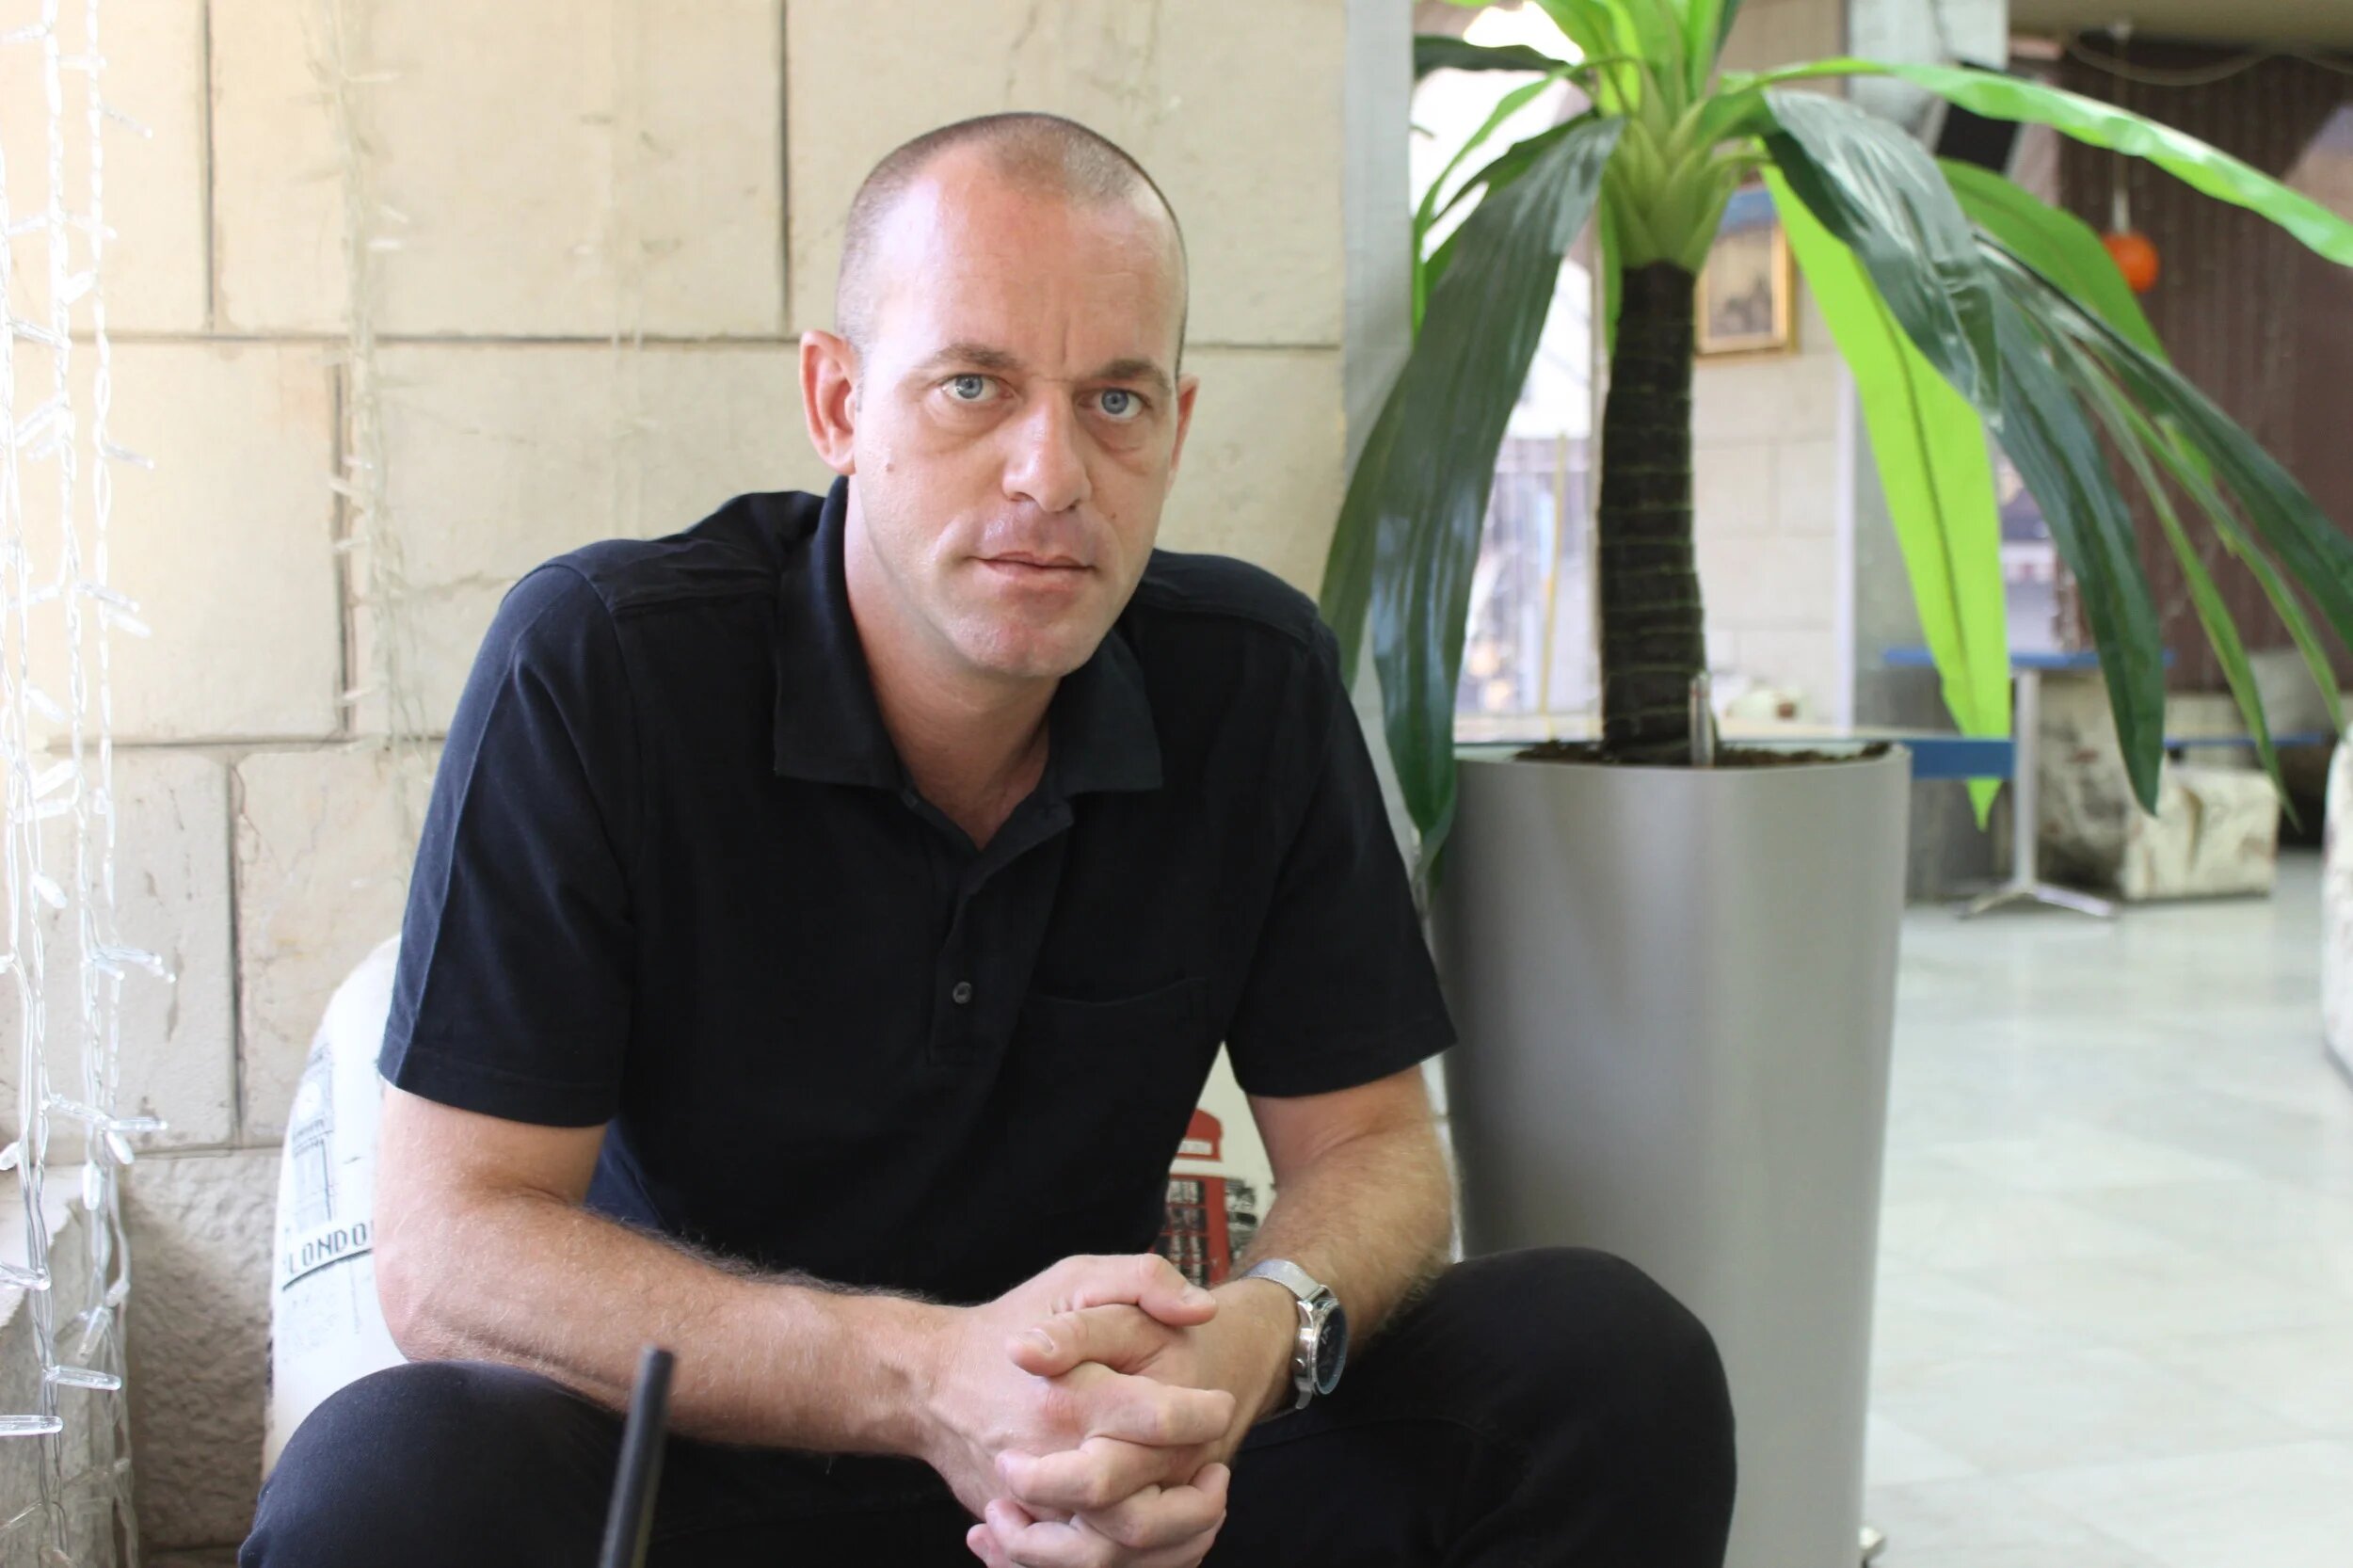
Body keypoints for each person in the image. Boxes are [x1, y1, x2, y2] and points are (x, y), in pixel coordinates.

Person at [242, 112, 1736, 1568]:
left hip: (1110, 1483)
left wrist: (1248, 1343)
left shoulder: (1251, 684)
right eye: (973, 386)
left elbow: (1378, 1148)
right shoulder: (605, 667)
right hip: (705, 1463)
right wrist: (925, 1378)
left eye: (1115, 401)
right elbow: (451, 1247)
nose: (1051, 473)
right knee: (390, 1486)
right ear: (838, 403)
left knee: (1601, 1362)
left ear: (1176, 429)